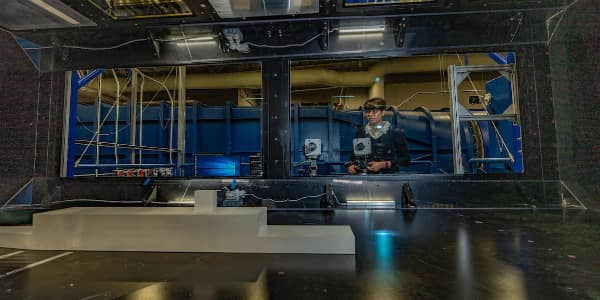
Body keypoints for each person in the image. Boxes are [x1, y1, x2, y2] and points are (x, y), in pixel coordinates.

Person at [347, 97, 410, 175]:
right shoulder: (361, 132)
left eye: (374, 111)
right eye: (367, 111)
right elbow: (353, 158)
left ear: (383, 112)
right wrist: (351, 166)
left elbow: (406, 160)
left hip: (389, 178)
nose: (370, 114)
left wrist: (383, 164)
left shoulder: (395, 132)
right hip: (366, 177)